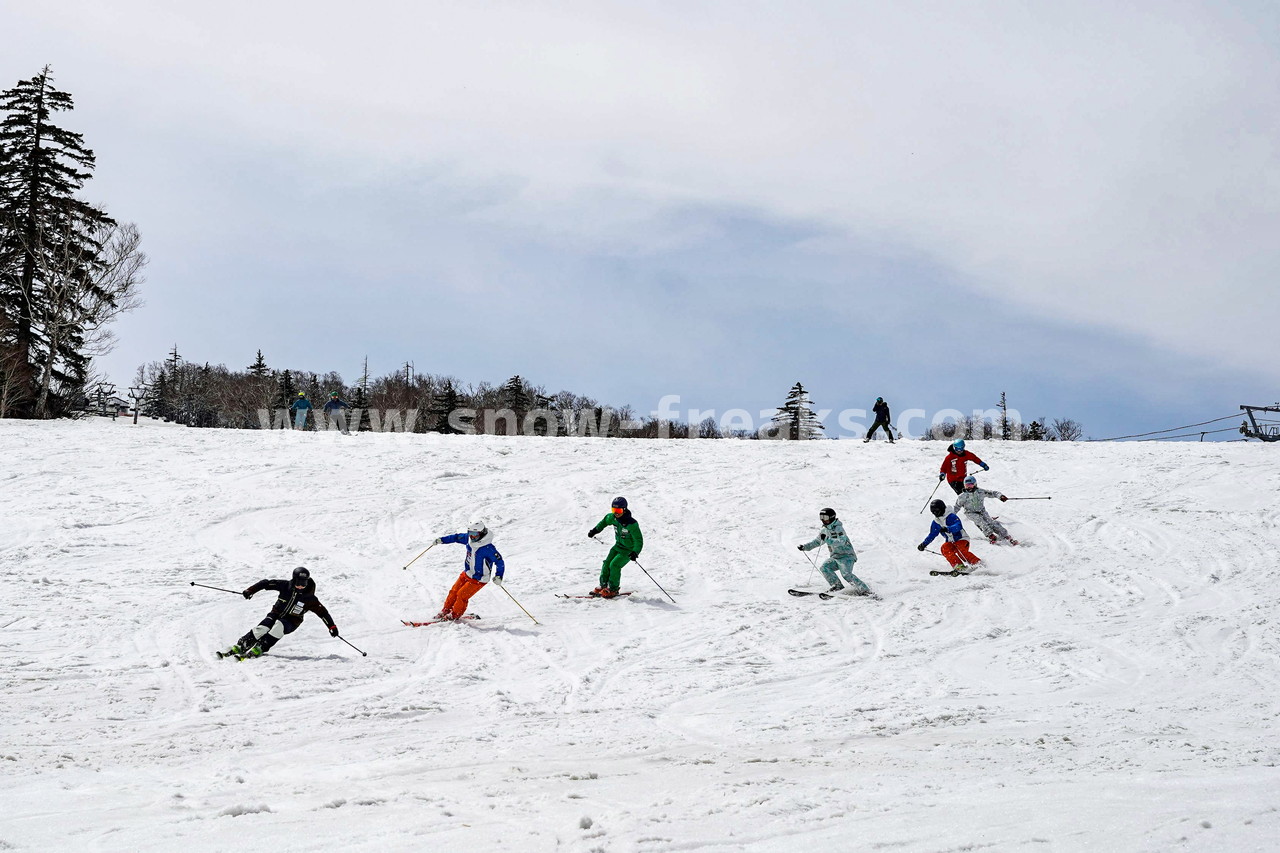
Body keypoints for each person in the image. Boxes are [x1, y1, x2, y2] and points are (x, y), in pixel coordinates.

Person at [219, 566, 338, 659]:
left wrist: (332, 626)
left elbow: (323, 613)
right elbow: (265, 583)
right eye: (298, 583)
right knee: (262, 628)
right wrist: (250, 590)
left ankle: (261, 647)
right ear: (294, 579)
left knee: (278, 627)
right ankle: (242, 645)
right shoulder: (285, 586)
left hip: (292, 621)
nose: (301, 586)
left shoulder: (310, 598)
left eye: (304, 583)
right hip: (275, 614)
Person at [433, 521, 505, 621]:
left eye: (475, 534)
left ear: (482, 533)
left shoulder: (488, 548)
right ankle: (446, 610)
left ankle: (454, 615)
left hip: (479, 578)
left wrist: (499, 576)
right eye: (470, 533)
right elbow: (456, 537)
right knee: (453, 591)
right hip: (467, 573)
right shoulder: (469, 539)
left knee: (461, 595)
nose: (472, 536)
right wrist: (442, 540)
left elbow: (499, 562)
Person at [798, 507, 872, 595]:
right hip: (835, 557)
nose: (823, 520)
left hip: (847, 556)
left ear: (832, 517)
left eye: (825, 517)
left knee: (846, 574)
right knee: (825, 567)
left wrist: (828, 540)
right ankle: (837, 586)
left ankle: (865, 590)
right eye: (821, 517)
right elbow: (817, 542)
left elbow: (841, 541)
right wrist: (805, 547)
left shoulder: (839, 529)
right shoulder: (824, 530)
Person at [587, 497, 643, 598]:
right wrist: (595, 530)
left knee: (614, 565)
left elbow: (638, 540)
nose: (616, 513)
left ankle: (613, 589)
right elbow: (604, 522)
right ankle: (603, 585)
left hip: (628, 550)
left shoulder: (631, 524)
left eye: (619, 510)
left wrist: (635, 552)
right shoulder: (612, 518)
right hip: (618, 546)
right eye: (614, 510)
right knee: (606, 563)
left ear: (624, 509)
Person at [953, 475, 1019, 545]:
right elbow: (957, 506)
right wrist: (951, 515)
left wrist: (1000, 496)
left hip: (982, 511)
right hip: (970, 513)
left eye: (970, 485)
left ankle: (1006, 536)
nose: (968, 487)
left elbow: (993, 493)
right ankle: (991, 536)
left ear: (975, 484)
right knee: (981, 522)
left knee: (991, 522)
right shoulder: (962, 496)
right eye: (966, 485)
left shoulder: (980, 492)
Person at [918, 499, 981, 571]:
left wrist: (948, 529)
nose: (935, 513)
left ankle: (977, 563)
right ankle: (959, 566)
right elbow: (932, 534)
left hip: (962, 539)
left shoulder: (951, 516)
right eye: (933, 512)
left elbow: (958, 526)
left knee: (960, 551)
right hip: (951, 541)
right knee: (945, 548)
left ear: (942, 509)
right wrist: (924, 544)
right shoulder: (936, 522)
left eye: (937, 511)